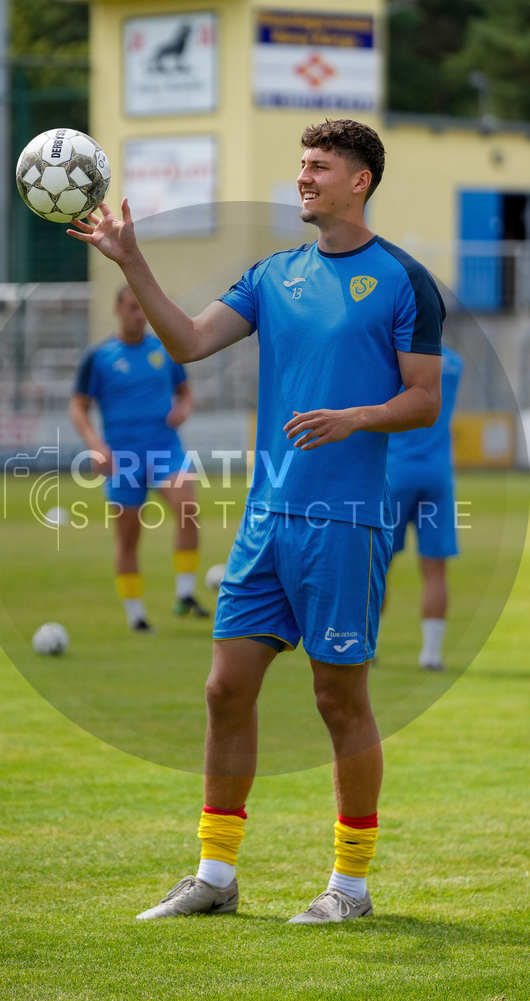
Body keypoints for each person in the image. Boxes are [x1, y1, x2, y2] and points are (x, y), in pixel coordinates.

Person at [67, 119, 444, 924]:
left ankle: (350, 886)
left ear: (360, 181)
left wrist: (356, 417)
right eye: (301, 164)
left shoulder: (404, 280)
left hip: (345, 522)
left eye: (319, 166)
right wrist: (131, 259)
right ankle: (215, 874)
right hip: (266, 519)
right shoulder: (274, 274)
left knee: (339, 699)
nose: (303, 176)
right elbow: (189, 342)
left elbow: (424, 400)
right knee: (224, 688)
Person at [69, 285, 209, 632]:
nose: (139, 314)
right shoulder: (99, 356)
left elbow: (185, 391)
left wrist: (183, 408)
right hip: (122, 458)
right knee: (129, 537)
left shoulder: (164, 348)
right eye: (132, 307)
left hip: (165, 447)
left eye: (142, 307)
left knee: (187, 507)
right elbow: (78, 406)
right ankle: (136, 615)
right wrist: (95, 445)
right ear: (117, 310)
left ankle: (185, 594)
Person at [385, 344, 463, 670]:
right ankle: (431, 654)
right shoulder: (454, 362)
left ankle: (367, 646)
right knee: (435, 569)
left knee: (378, 564)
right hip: (437, 472)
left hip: (395, 470)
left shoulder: (392, 358)